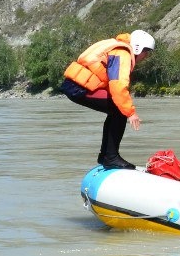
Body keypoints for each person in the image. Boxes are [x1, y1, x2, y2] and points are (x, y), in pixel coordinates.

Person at [61, 29, 154, 169]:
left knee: (115, 110)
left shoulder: (116, 46)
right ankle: (110, 158)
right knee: (120, 111)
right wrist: (130, 113)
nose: (146, 56)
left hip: (76, 85)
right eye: (145, 52)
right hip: (79, 87)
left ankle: (106, 155)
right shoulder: (123, 54)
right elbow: (118, 86)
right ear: (137, 48)